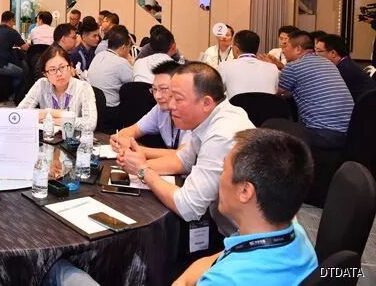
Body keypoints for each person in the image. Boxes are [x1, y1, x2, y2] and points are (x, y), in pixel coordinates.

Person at [117, 63, 254, 236]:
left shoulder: (221, 134)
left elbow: (188, 207)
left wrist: (143, 171)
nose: (171, 105)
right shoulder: (210, 118)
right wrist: (135, 164)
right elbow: (183, 160)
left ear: (206, 103)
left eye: (178, 98)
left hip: (249, 240)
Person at [174, 129, 317, 286]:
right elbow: (216, 260)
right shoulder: (297, 233)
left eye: (224, 170)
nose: (220, 179)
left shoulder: (225, 280)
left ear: (245, 191)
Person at [278, 30, 354, 149]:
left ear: (298, 49)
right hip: (350, 132)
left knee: (272, 124)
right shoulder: (327, 62)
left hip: (323, 133)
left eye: (286, 46)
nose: (283, 50)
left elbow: (276, 93)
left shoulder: (293, 66)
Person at [111, 60, 191, 156]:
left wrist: (136, 149)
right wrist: (118, 139)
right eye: (154, 89)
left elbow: (183, 156)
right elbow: (134, 130)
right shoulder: (160, 109)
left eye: (163, 89)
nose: (157, 96)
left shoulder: (192, 113)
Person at [18, 45, 97, 132]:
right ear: (45, 74)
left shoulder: (83, 87)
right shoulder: (41, 84)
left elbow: (90, 124)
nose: (59, 73)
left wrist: (50, 119)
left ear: (70, 67)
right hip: (48, 137)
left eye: (62, 67)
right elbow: (19, 114)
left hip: (73, 138)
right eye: (52, 70)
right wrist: (54, 113)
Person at [87, 25, 133, 127]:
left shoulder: (99, 55)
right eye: (129, 47)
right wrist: (131, 62)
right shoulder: (121, 62)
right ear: (123, 47)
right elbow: (133, 85)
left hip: (93, 107)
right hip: (110, 111)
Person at [219, 30, 279, 99]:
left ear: (236, 49)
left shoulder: (224, 66)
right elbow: (275, 92)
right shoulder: (273, 68)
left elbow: (216, 93)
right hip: (266, 106)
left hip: (235, 106)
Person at [316, 33, 375, 103]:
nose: (316, 55)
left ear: (333, 53)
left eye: (319, 51)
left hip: (366, 105)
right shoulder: (344, 63)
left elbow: (331, 95)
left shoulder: (345, 69)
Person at [0, 10, 30, 93]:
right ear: (11, 20)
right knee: (22, 73)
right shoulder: (11, 31)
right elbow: (25, 48)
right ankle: (12, 95)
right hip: (0, 65)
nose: (14, 24)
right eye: (13, 21)